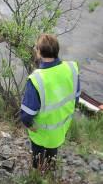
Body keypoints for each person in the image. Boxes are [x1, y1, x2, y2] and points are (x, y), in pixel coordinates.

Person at [21, 34, 80, 170]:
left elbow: (27, 114)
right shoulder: (72, 69)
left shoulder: (36, 79)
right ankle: (50, 173)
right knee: (52, 156)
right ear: (57, 50)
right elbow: (76, 98)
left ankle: (37, 176)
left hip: (40, 132)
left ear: (39, 52)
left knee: (38, 162)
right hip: (61, 128)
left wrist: (28, 124)